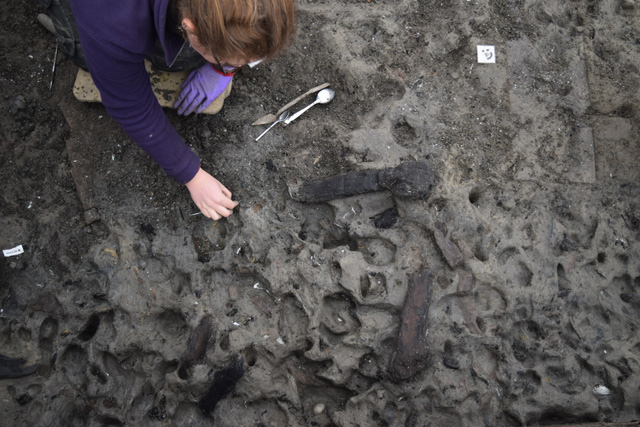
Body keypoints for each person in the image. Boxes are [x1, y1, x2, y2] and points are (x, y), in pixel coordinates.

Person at [39, 0, 295, 220]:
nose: (235, 67)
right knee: (87, 53)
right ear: (189, 26)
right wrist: (191, 175)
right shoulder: (113, 19)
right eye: (227, 62)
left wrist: (221, 68)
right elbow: (131, 107)